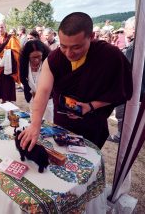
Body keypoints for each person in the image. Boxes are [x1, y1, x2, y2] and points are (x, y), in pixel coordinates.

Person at [19, 12, 133, 150]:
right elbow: (42, 91)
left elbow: (121, 91)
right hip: (62, 124)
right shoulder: (54, 58)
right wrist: (35, 124)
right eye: (63, 46)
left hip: (92, 123)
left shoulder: (110, 55)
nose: (68, 53)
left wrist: (90, 106)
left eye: (76, 47)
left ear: (91, 37)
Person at [108, 16, 136, 143]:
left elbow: (126, 68)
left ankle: (121, 136)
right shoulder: (134, 45)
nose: (124, 31)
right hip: (133, 88)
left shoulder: (133, 47)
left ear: (134, 29)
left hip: (129, 87)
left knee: (122, 113)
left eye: (127, 28)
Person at [20, 40, 53, 121]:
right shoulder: (24, 62)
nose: (37, 60)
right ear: (27, 56)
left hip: (47, 98)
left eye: (39, 56)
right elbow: (23, 79)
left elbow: (53, 82)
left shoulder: (49, 62)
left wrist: (41, 94)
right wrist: (32, 92)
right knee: (34, 119)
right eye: (33, 57)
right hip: (32, 97)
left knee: (48, 120)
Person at [0, 21, 21, 102]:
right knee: (1, 84)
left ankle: (9, 100)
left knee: (8, 84)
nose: (0, 29)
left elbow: (17, 51)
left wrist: (7, 54)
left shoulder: (11, 38)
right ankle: (3, 100)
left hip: (8, 65)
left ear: (5, 27)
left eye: (2, 27)